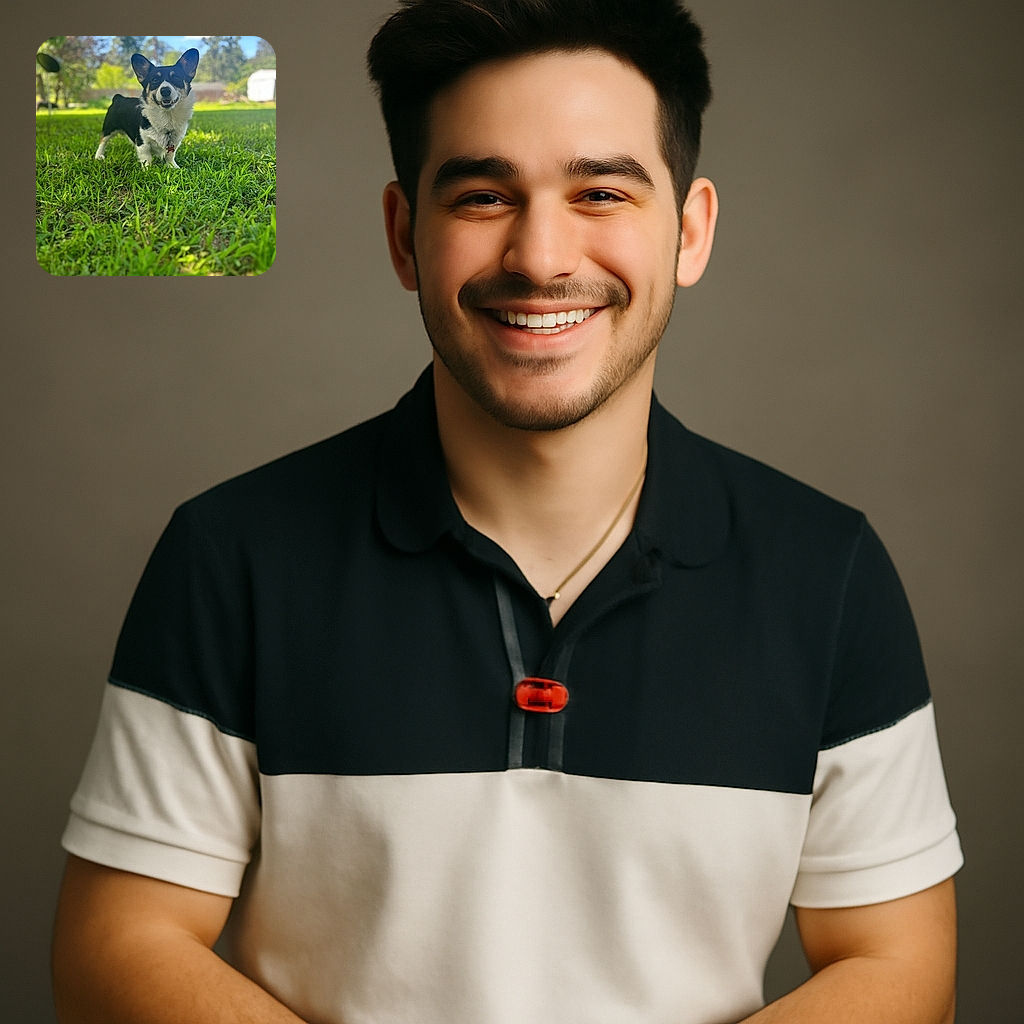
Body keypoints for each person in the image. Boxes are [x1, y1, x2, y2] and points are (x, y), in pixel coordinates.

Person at [52, 2, 963, 1022]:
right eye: (483, 196)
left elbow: (899, 962)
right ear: (404, 235)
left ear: (691, 229)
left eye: (601, 192)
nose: (540, 256)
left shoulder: (827, 571)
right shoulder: (231, 554)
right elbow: (116, 944)